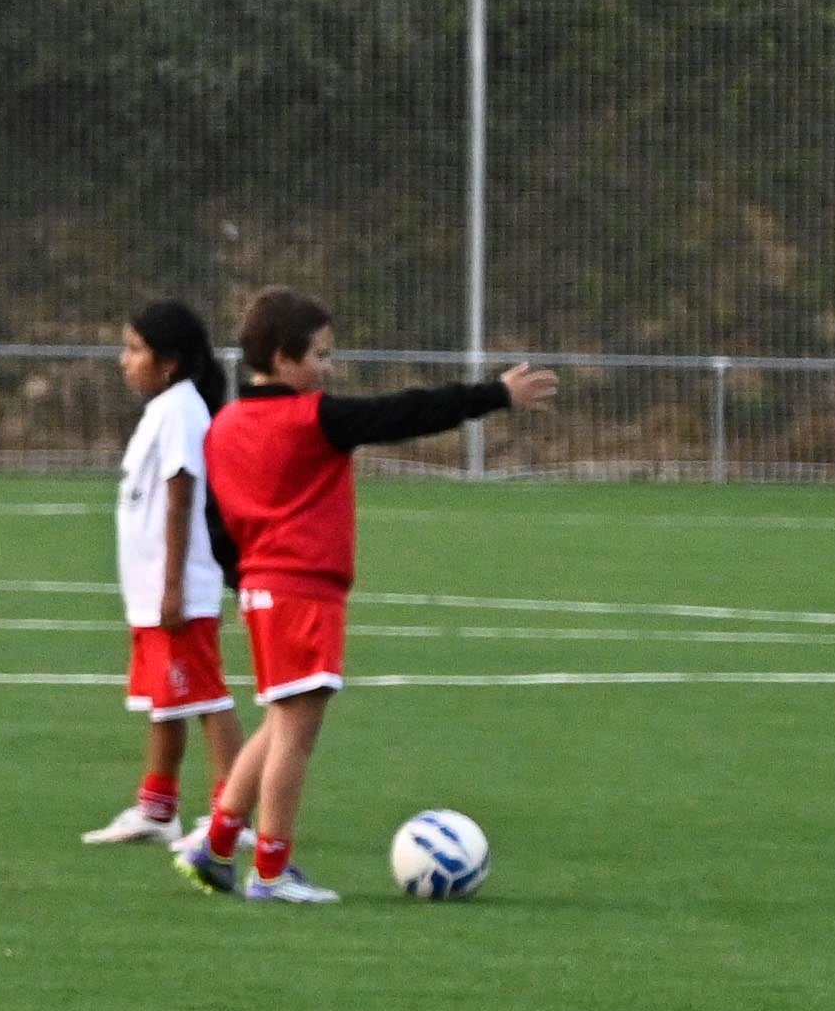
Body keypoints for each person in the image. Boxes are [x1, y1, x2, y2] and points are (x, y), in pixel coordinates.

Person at [185, 288, 557, 906]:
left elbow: (216, 520)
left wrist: (246, 577)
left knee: (281, 721)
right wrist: (494, 395)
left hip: (264, 589)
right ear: (283, 358)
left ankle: (217, 846)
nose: (329, 368)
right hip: (302, 592)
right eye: (321, 355)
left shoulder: (224, 425)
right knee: (298, 734)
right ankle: (271, 873)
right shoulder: (312, 419)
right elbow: (403, 413)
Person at [83, 299, 233, 848]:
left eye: (135, 349)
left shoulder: (182, 410)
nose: (125, 361)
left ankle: (231, 815)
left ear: (169, 361)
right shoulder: (164, 408)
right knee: (163, 700)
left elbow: (181, 491)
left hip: (178, 590)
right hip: (151, 592)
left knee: (207, 699)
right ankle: (158, 807)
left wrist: (173, 585)